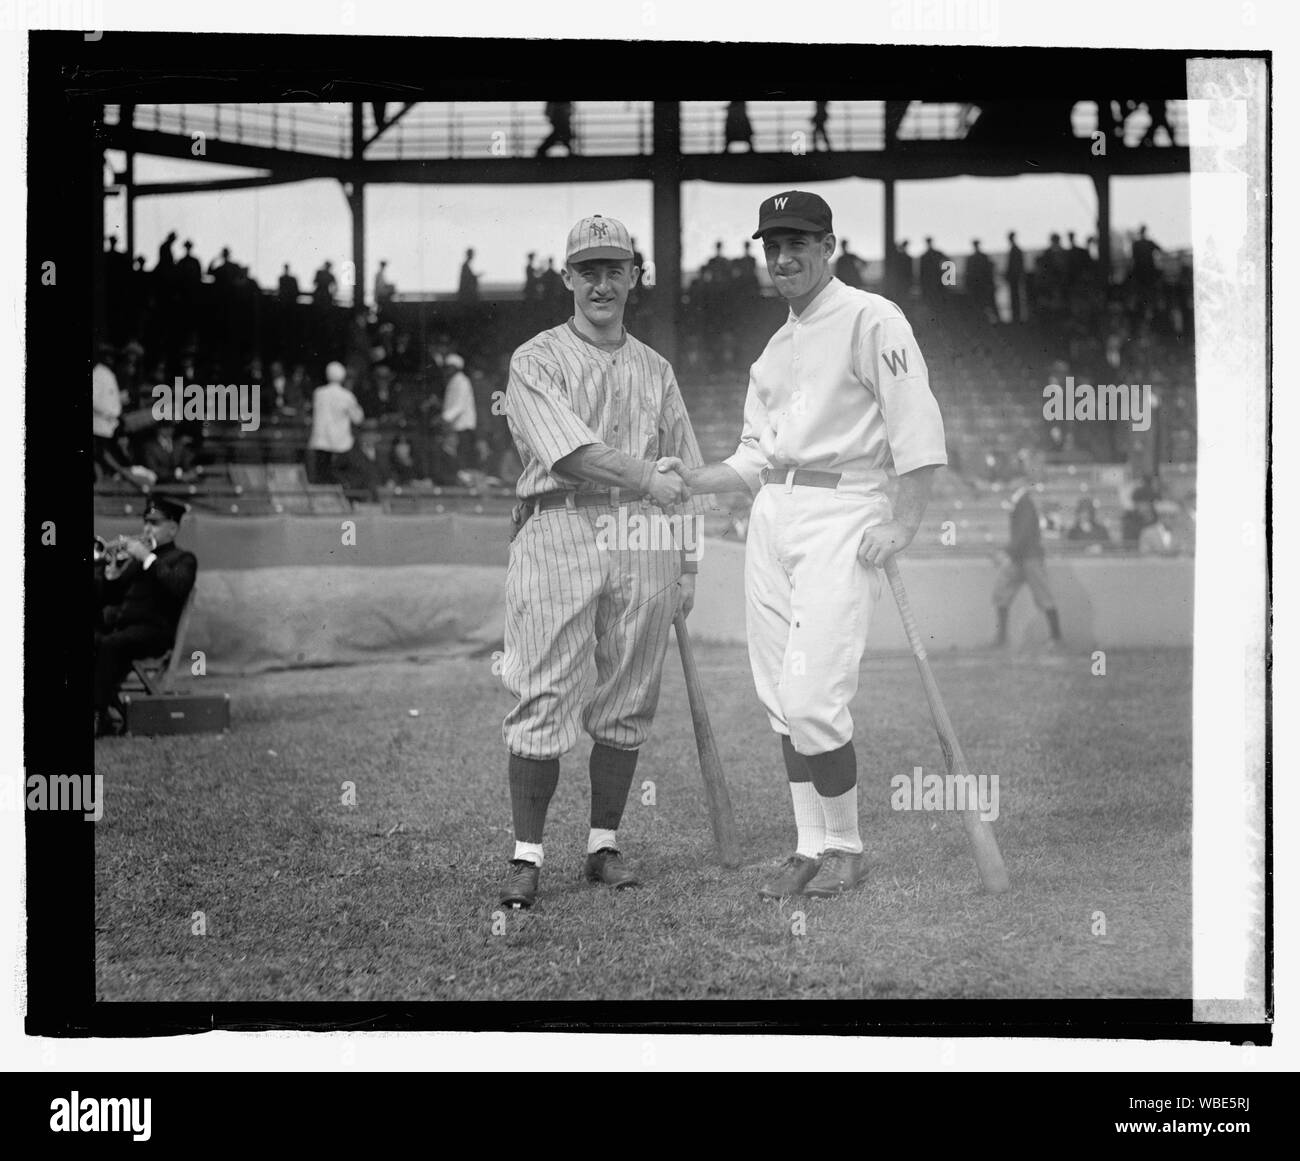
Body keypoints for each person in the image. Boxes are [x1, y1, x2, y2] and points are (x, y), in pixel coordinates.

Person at [655, 190, 947, 900]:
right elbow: (751, 458)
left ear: (828, 247)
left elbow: (918, 427)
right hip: (772, 511)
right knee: (779, 696)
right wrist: (688, 477)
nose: (783, 258)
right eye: (772, 246)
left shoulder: (872, 318)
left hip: (841, 508)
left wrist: (902, 522)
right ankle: (808, 846)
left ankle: (847, 844)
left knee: (813, 692)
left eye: (798, 244)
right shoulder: (774, 348)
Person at [497, 213, 707, 910]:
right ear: (567, 279)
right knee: (544, 691)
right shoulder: (536, 359)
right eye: (588, 269)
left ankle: (602, 844)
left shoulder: (657, 368)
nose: (601, 282)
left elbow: (690, 474)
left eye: (614, 268)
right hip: (558, 524)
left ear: (633, 277)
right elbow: (570, 452)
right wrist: (647, 477)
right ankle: (527, 856)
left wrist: (689, 567)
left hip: (644, 538)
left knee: (628, 698)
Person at [94, 497, 197, 737]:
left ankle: (97, 714)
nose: (147, 529)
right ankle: (106, 712)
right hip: (124, 630)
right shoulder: (136, 562)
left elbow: (177, 586)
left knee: (111, 644)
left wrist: (147, 558)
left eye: (155, 523)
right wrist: (111, 575)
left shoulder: (183, 559)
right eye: (146, 522)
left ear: (173, 528)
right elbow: (110, 597)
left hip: (154, 634)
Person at [991, 470, 1063, 649]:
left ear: (1020, 482)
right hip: (1021, 557)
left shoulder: (1024, 503)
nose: (1009, 483)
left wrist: (1007, 552)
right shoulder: (1019, 502)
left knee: (1043, 596)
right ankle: (1001, 639)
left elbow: (1022, 534)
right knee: (1001, 593)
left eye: (1012, 479)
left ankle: (1057, 638)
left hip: (1029, 557)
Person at [307, 361, 364, 485]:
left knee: (321, 480)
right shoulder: (347, 396)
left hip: (321, 443)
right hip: (339, 445)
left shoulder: (319, 393)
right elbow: (358, 418)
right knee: (337, 478)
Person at [440, 353, 478, 474]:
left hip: (462, 426)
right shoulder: (453, 381)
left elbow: (459, 405)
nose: (447, 370)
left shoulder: (462, 381)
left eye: (450, 367)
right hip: (454, 426)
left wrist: (444, 418)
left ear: (456, 368)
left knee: (461, 456)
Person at [965, 239, 996, 322]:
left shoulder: (972, 258)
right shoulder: (982, 257)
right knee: (985, 304)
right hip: (981, 285)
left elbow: (968, 273)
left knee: (980, 304)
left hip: (979, 285)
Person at [1005, 230, 1024, 323]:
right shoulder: (1015, 249)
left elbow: (1016, 265)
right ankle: (1016, 316)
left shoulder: (1015, 250)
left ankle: (1017, 317)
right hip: (1014, 277)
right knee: (1015, 297)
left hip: (1014, 277)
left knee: (1015, 297)